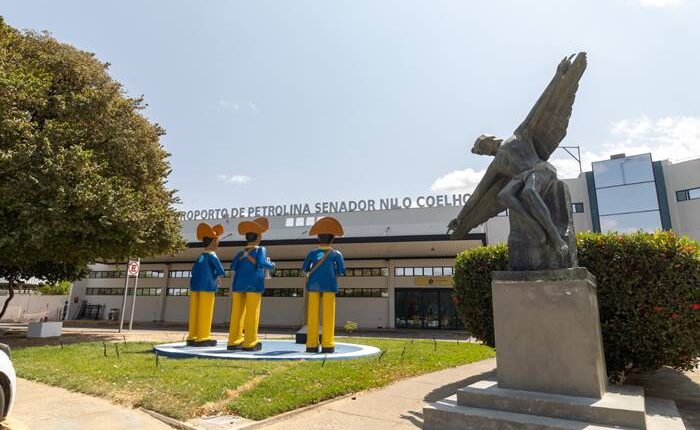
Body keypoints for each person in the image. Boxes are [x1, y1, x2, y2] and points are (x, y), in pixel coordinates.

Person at [227, 217, 275, 351]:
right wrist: (271, 265)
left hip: (238, 284)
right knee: (252, 312)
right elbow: (261, 262)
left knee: (236, 313)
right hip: (254, 283)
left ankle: (233, 340)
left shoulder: (240, 252)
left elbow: (233, 266)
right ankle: (250, 341)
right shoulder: (261, 249)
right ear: (258, 236)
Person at [302, 217, 346, 353]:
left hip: (313, 285)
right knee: (328, 315)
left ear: (318, 238)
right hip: (329, 285)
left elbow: (304, 268)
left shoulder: (312, 253)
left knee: (312, 315)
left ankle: (311, 344)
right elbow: (342, 271)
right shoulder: (336, 254)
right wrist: (334, 271)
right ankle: (327, 344)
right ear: (333, 238)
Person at [187, 222, 225, 347]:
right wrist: (217, 275)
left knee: (195, 312)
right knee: (205, 312)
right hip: (207, 286)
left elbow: (194, 270)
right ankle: (203, 337)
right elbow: (221, 271)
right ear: (214, 241)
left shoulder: (200, 257)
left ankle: (192, 336)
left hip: (195, 286)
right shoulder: (212, 255)